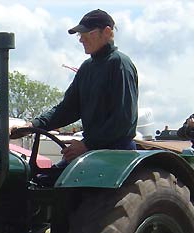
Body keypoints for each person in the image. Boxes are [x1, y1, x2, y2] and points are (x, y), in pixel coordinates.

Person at [11, 9, 138, 170]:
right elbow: (67, 109)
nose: (81, 39)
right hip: (93, 149)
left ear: (107, 32)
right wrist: (31, 125)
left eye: (87, 34)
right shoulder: (87, 68)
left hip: (116, 152)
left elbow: (123, 120)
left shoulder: (120, 64)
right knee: (43, 179)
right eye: (80, 35)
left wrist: (87, 144)